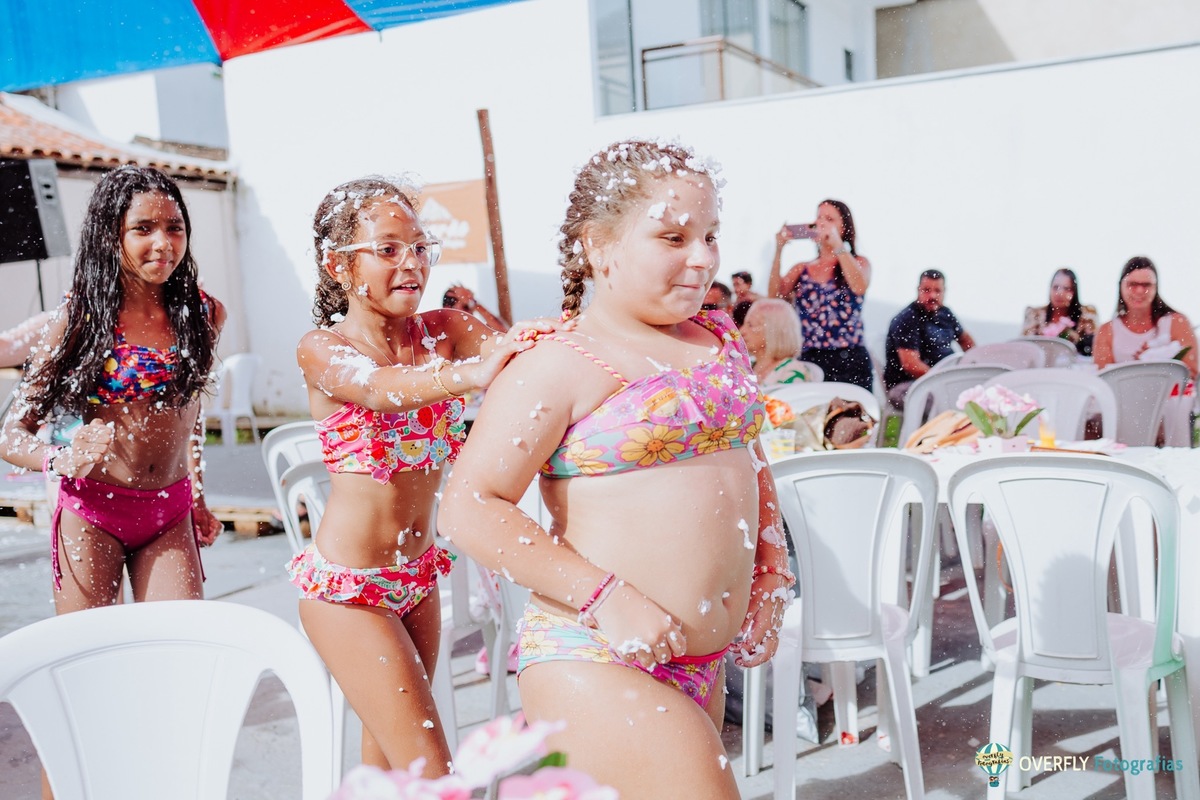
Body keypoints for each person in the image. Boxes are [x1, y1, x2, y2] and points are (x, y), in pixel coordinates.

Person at [438, 139, 791, 798]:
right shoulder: (562, 361)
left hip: (701, 660)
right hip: (594, 655)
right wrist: (606, 597)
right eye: (673, 236)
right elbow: (469, 506)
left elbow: (750, 461)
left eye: (711, 234)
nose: (703, 257)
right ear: (599, 246)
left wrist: (772, 571)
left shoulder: (716, 341)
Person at [289, 176, 564, 777]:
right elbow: (381, 391)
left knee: (394, 775)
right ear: (340, 266)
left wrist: (550, 339)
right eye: (387, 249)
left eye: (419, 246)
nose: (410, 262)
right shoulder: (322, 347)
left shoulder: (444, 329)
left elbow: (530, 360)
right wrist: (467, 376)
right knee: (436, 775)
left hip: (418, 576)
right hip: (349, 590)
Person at [0, 166, 225, 614]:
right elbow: (11, 434)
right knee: (93, 658)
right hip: (92, 513)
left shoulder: (202, 313)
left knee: (177, 646)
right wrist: (60, 459)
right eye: (143, 228)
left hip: (170, 511)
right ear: (110, 235)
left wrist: (198, 496)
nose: (163, 243)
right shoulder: (80, 320)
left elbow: (191, 414)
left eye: (174, 228)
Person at [766, 199, 874, 390]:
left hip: (850, 357)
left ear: (844, 228)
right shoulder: (802, 269)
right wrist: (779, 249)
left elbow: (858, 286)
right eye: (818, 217)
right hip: (811, 357)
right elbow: (774, 298)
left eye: (829, 219)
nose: (821, 223)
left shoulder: (859, 262)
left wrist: (838, 245)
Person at [883, 269, 976, 409]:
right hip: (907, 385)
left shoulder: (946, 314)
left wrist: (973, 366)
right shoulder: (906, 319)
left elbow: (966, 342)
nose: (932, 295)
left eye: (937, 291)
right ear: (918, 290)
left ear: (944, 291)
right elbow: (911, 365)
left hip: (942, 380)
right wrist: (946, 381)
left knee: (977, 396)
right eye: (926, 290)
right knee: (946, 402)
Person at [1093, 256, 1198, 377]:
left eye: (1146, 285)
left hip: (1168, 395)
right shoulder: (1106, 331)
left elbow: (1191, 374)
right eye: (1132, 284)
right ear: (1121, 286)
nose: (1139, 291)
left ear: (1156, 288)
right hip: (1124, 395)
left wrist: (1158, 359)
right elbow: (1103, 380)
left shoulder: (1177, 323)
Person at [1021, 268, 1098, 355]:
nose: (1060, 293)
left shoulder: (1087, 315)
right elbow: (1024, 347)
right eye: (1056, 287)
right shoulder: (1035, 314)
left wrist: (1071, 337)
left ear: (1074, 292)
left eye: (1066, 289)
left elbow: (1093, 348)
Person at [741, 298, 813, 386]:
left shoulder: (792, 371)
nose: (742, 331)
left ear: (773, 331)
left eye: (750, 325)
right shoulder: (745, 367)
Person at [442, 283, 510, 332]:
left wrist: (474, 303)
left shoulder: (476, 331)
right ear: (448, 309)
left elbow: (503, 333)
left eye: (470, 306)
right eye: (465, 307)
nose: (469, 313)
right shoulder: (443, 335)